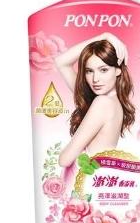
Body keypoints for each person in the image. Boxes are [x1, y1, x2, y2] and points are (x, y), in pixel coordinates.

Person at [55, 32, 135, 170]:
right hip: (96, 177)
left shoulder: (102, 103)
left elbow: (64, 160)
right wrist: (104, 36)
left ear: (118, 70)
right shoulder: (114, 102)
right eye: (89, 71)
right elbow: (61, 62)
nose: (95, 79)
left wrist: (104, 37)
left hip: (87, 178)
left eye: (103, 70)